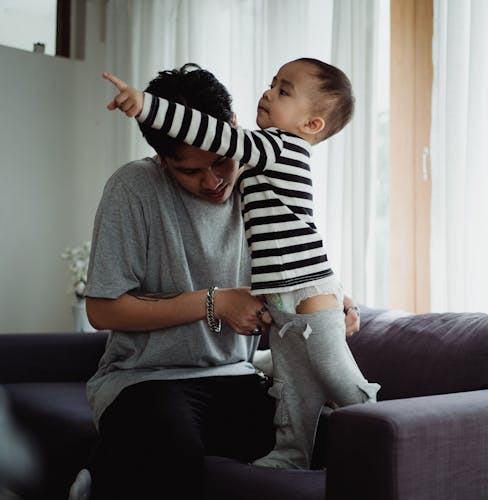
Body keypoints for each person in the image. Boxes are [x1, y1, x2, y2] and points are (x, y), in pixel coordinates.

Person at [83, 63, 362, 500]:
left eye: (220, 161)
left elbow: (296, 257)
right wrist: (213, 302)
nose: (213, 183)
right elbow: (101, 310)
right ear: (162, 159)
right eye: (189, 172)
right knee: (175, 457)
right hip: (143, 379)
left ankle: (110, 470)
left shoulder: (264, 178)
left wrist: (335, 301)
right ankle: (105, 476)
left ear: (231, 129)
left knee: (338, 444)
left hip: (236, 375)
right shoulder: (133, 187)